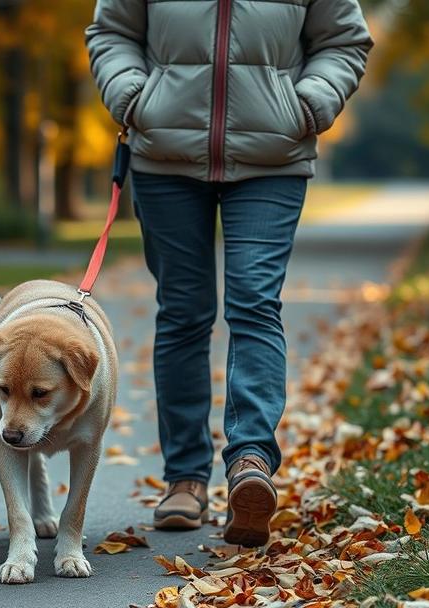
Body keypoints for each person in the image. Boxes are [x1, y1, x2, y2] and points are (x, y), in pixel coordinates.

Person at [85, 0, 372, 546]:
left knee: (254, 303)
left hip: (273, 159)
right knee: (183, 313)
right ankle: (186, 479)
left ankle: (250, 462)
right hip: (164, 158)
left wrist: (309, 104)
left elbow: (345, 41)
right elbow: (112, 32)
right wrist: (131, 95)